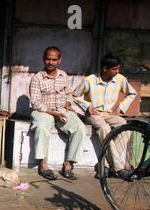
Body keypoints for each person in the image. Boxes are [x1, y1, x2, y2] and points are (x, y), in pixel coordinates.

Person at [73, 53, 137, 180]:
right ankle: (119, 168)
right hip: (94, 115)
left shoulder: (120, 79)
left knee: (125, 127)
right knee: (104, 128)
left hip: (109, 114)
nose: (117, 71)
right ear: (105, 69)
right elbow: (75, 95)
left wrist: (121, 107)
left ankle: (105, 165)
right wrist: (87, 106)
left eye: (118, 68)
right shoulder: (90, 80)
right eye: (114, 69)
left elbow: (132, 93)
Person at [29, 46, 86, 180]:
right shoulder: (37, 78)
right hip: (43, 111)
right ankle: (43, 165)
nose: (51, 62)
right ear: (44, 59)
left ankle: (68, 164)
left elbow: (68, 94)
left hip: (62, 110)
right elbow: (35, 103)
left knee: (80, 128)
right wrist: (55, 114)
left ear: (59, 60)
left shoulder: (63, 75)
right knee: (41, 127)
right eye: (48, 59)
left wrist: (68, 104)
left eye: (54, 59)